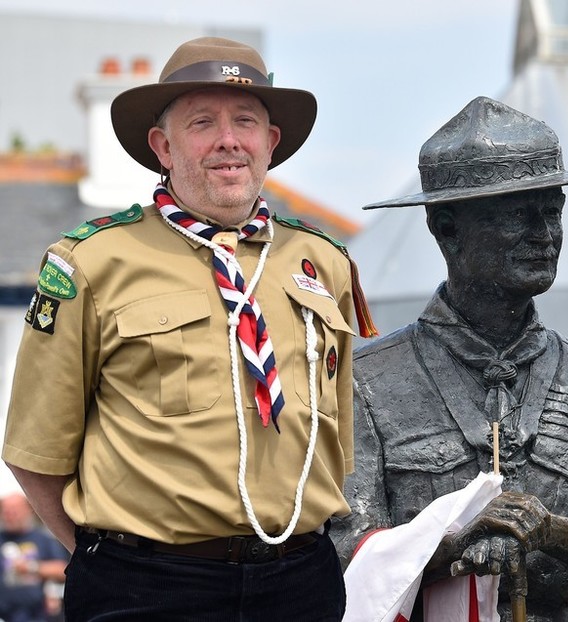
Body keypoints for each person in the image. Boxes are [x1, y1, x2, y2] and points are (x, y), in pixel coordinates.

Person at [2, 37, 375, 620]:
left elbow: (337, 445)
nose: (229, 140)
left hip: (301, 581)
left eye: (246, 122)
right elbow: (34, 450)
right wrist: (102, 557)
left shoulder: (321, 261)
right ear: (163, 147)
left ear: (270, 143)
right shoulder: (93, 261)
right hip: (144, 586)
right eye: (203, 122)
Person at [329, 96, 568, 622]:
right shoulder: (368, 382)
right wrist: (449, 548)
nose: (544, 235)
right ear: (446, 228)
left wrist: (555, 531)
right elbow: (339, 546)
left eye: (553, 212)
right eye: (519, 215)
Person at [0, 492, 68, 622]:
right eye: (6, 511)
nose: (11, 515)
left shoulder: (44, 539)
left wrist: (31, 567)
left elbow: (63, 571)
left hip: (37, 615)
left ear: (29, 510)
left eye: (15, 511)